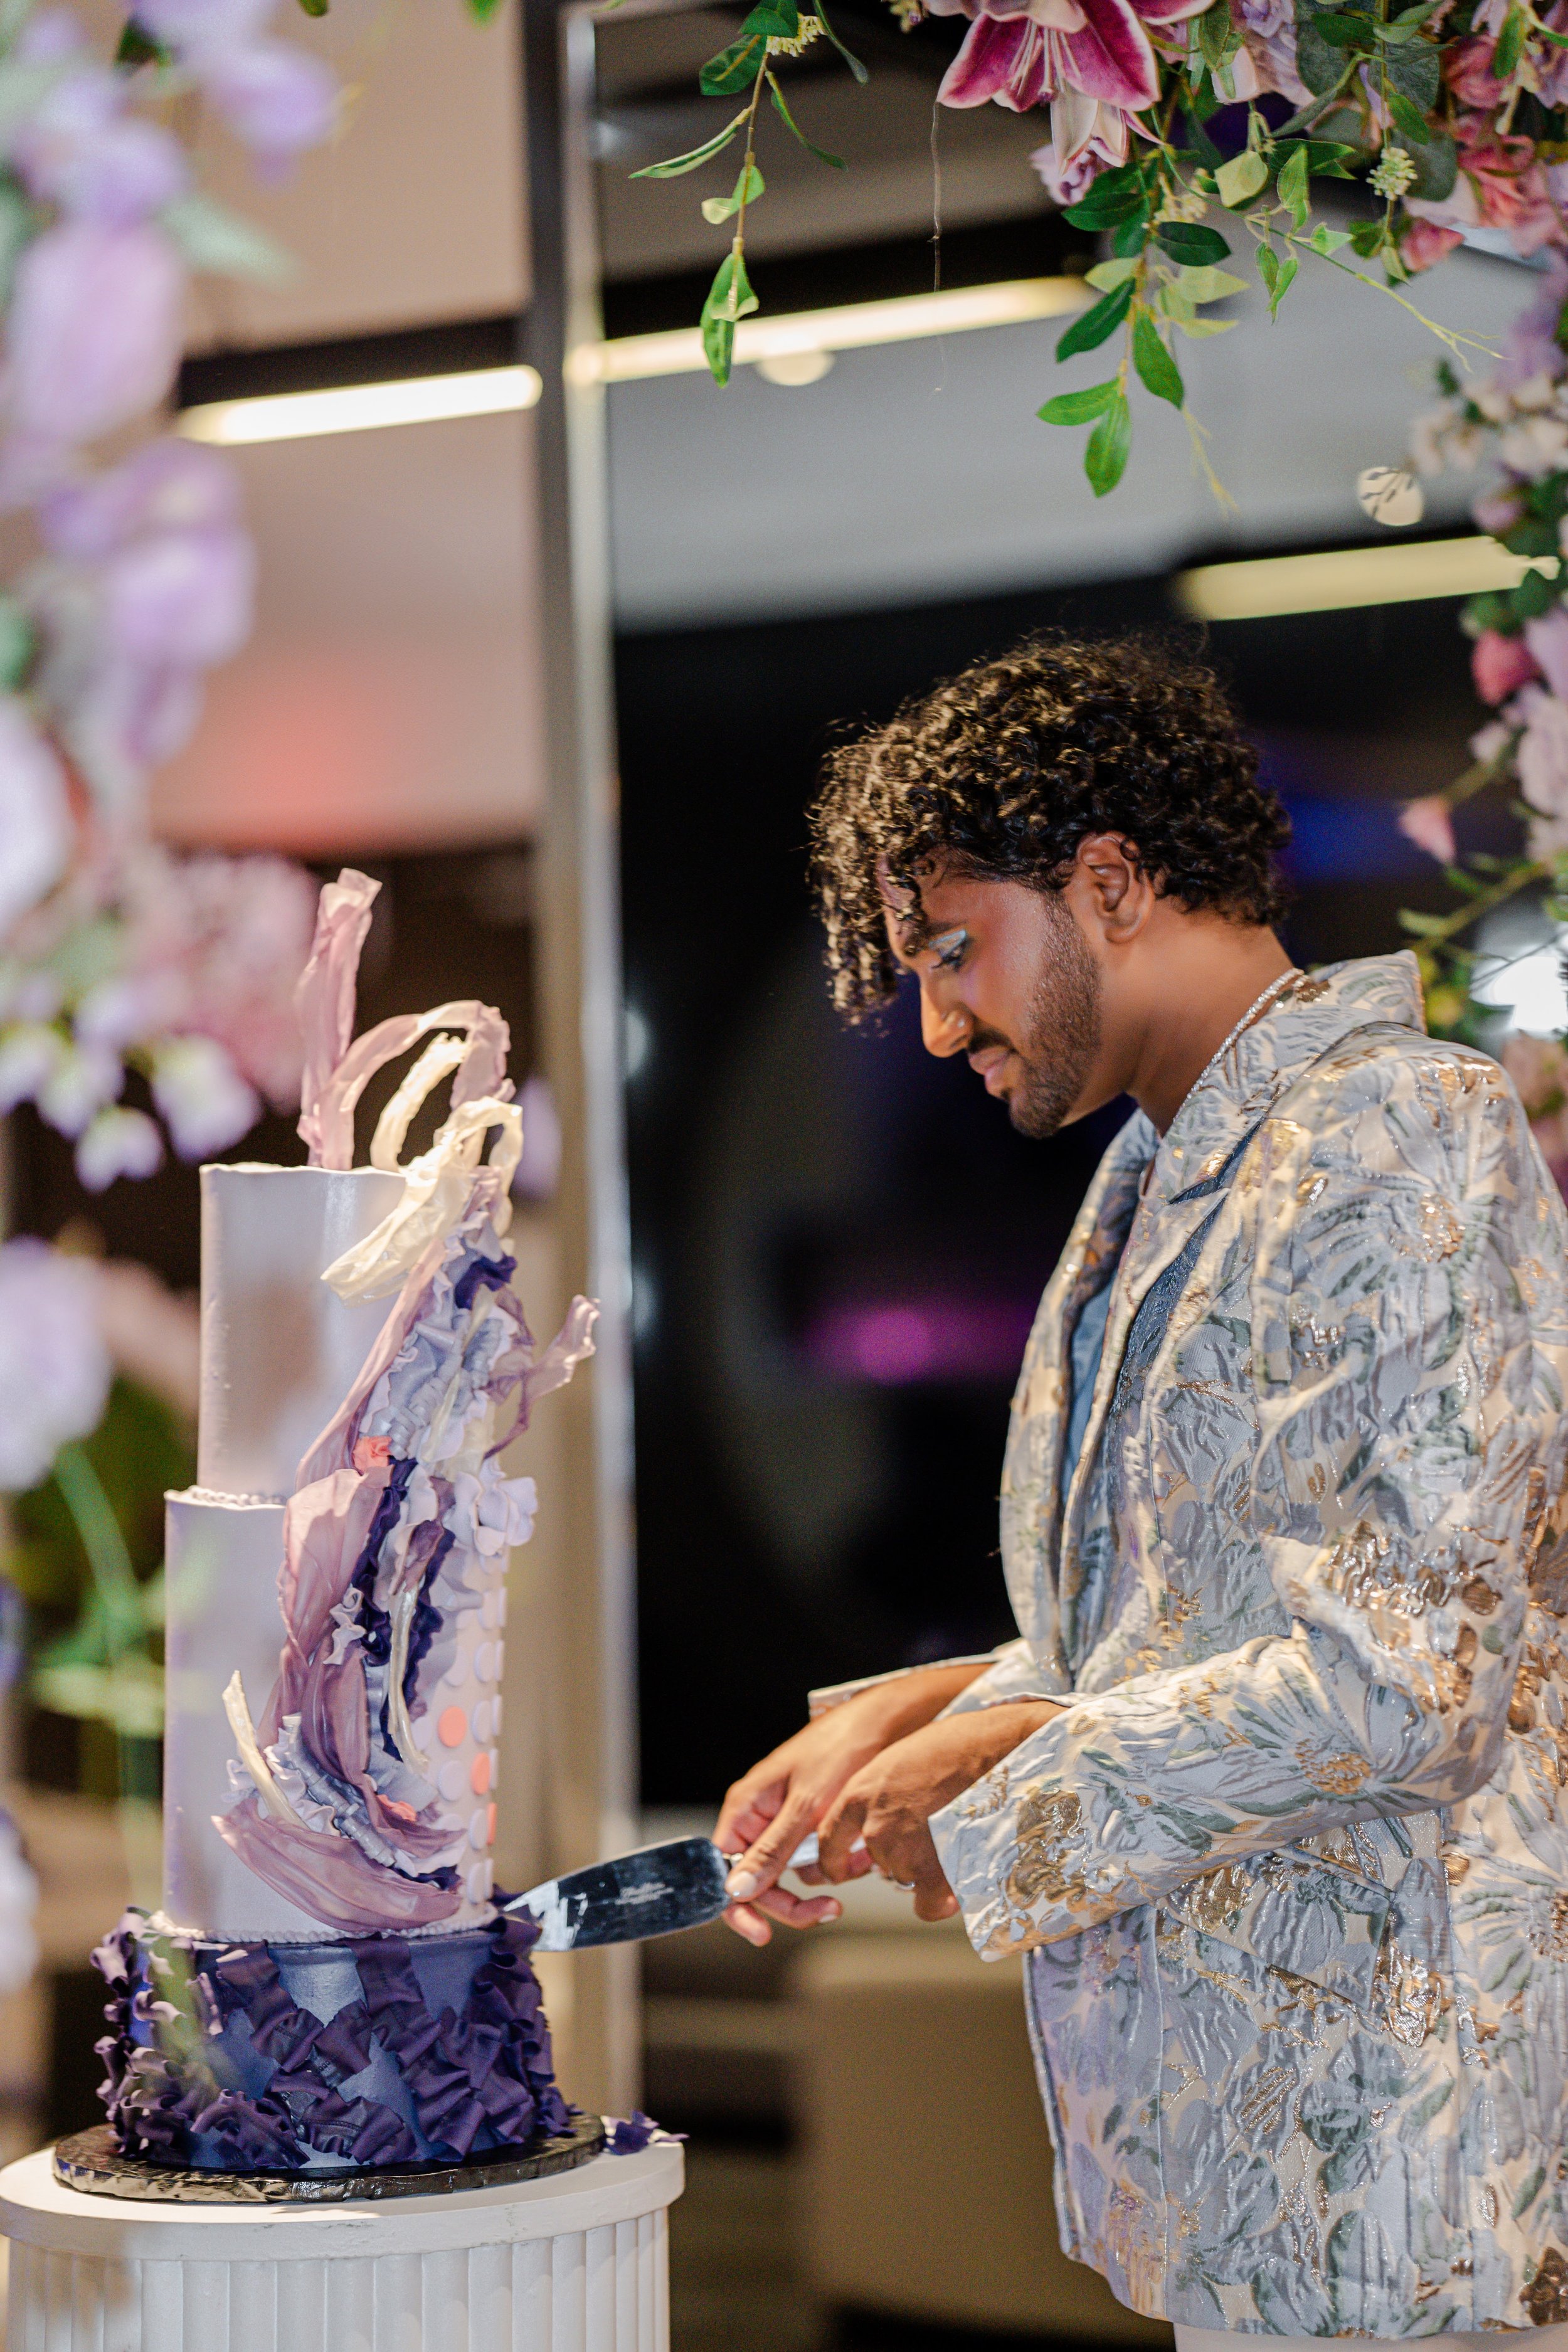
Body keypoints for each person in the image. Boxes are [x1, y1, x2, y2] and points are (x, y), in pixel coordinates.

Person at [712, 633, 1568, 2344]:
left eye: (954, 949)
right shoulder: (1158, 1178)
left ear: (1106, 883)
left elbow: (1412, 1675)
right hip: (1255, 2159)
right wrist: (912, 1717)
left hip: (1407, 2180)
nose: (939, 1016)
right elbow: (1183, 1625)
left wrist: (1008, 1773)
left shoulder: (1396, 1129)